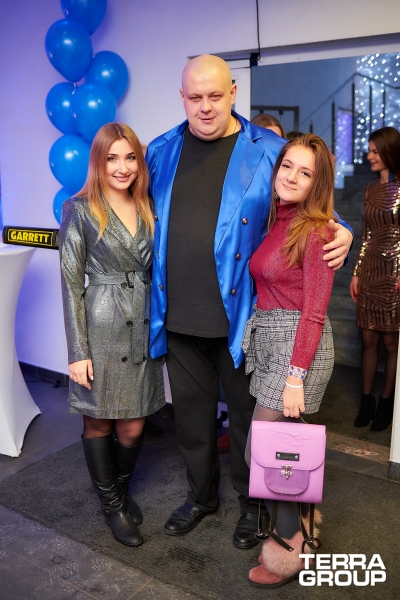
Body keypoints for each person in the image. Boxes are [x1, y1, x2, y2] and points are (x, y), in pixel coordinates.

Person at [146, 54, 353, 549]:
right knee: (192, 419)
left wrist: (344, 231)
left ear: (234, 93)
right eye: (195, 97)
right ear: (182, 98)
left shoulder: (269, 150)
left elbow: (313, 199)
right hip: (178, 315)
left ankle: (250, 505)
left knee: (247, 420)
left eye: (215, 95)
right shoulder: (160, 150)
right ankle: (201, 497)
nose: (205, 107)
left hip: (244, 320)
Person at [59, 122, 165, 547]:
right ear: (98, 163)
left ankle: (117, 491)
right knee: (100, 421)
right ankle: (112, 505)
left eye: (130, 157)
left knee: (134, 427)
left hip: (142, 322)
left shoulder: (148, 204)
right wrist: (77, 350)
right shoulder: (79, 207)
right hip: (101, 325)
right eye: (112, 158)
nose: (123, 167)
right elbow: (70, 281)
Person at [242, 134, 335, 588]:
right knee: (280, 454)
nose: (293, 177)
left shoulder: (317, 231)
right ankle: (302, 537)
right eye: (287, 166)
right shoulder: (279, 220)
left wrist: (295, 377)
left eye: (306, 172)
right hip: (273, 341)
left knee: (265, 453)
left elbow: (314, 312)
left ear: (318, 182)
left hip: (299, 347)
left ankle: (290, 549)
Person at [350, 127, 400, 431]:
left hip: (395, 271)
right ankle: (366, 400)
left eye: (375, 151)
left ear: (390, 152)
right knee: (368, 337)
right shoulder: (370, 189)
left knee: (390, 341)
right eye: (369, 151)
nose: (369, 156)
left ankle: (386, 401)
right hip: (370, 269)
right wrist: (357, 271)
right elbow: (366, 234)